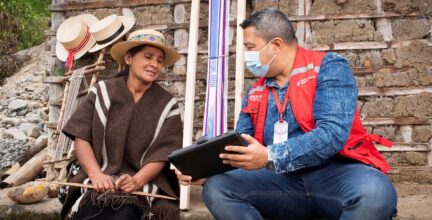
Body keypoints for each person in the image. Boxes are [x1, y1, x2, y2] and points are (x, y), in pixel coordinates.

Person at [176, 8, 397, 220]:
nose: (247, 55)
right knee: (217, 188)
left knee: (376, 193)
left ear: (276, 45)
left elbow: (332, 134)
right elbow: (243, 144)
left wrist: (270, 156)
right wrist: (206, 169)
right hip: (280, 182)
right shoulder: (255, 91)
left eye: (250, 46)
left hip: (334, 175)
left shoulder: (329, 67)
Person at [61, 29, 183, 220]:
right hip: (100, 175)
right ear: (128, 59)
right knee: (90, 210)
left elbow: (162, 154)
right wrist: (96, 175)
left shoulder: (167, 105)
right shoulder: (103, 92)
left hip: (143, 180)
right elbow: (81, 136)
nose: (154, 64)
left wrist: (137, 180)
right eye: (148, 57)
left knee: (125, 213)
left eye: (159, 60)